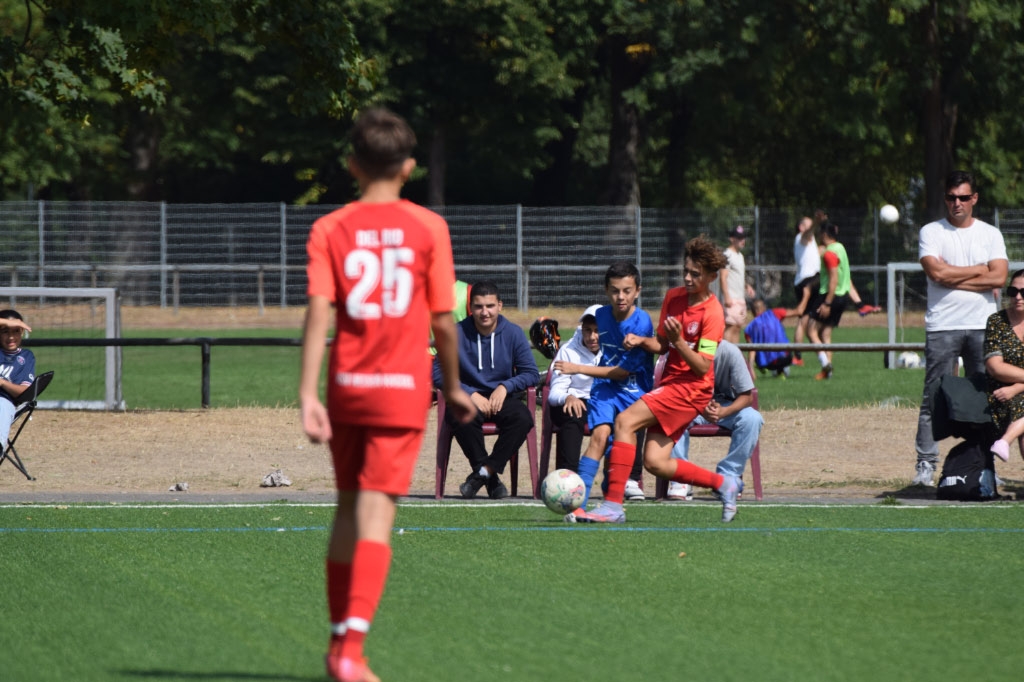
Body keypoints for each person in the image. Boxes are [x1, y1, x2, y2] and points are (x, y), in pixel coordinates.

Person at [298, 107, 476, 682]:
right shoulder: (429, 228)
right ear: (409, 167)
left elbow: (318, 314)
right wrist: (454, 386)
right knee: (376, 516)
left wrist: (307, 394)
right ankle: (349, 653)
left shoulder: (329, 228)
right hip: (401, 390)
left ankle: (337, 642)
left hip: (347, 388)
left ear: (352, 164)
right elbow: (443, 320)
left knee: (348, 509)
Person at [577, 235, 742, 523]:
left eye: (695, 274)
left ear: (712, 277)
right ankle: (723, 483)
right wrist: (642, 340)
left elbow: (702, 367)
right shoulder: (673, 297)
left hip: (692, 389)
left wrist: (678, 342)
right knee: (655, 462)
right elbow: (663, 345)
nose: (687, 278)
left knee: (624, 422)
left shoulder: (713, 313)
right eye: (685, 271)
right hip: (670, 385)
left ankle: (613, 505)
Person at [913, 170, 1008, 486]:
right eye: (952, 197)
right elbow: (936, 274)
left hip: (983, 326)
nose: (958, 203)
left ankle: (985, 464)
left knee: (986, 397)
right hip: (943, 325)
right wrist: (979, 271)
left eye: (964, 197)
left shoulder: (990, 234)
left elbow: (999, 277)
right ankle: (925, 465)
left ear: (974, 199)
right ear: (945, 199)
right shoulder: (931, 231)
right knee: (933, 395)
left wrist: (952, 275)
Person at [552, 262, 654, 518]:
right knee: (599, 437)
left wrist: (577, 368)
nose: (621, 297)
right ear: (606, 291)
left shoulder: (642, 322)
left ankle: (614, 495)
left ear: (638, 291)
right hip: (605, 388)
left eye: (627, 291)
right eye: (615, 290)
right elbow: (597, 351)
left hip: (633, 390)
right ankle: (577, 505)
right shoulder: (601, 316)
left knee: (620, 443)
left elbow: (622, 372)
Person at [434, 280, 540, 499]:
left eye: (490, 306)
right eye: (479, 306)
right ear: (470, 307)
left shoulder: (513, 333)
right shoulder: (455, 333)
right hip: (468, 398)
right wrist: (470, 393)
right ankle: (490, 479)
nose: (485, 312)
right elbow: (436, 372)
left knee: (523, 418)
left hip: (502, 398)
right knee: (460, 415)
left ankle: (482, 474)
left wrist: (505, 386)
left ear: (499, 305)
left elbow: (530, 373)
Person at [666, 339, 764, 501]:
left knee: (753, 418)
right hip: (690, 404)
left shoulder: (730, 351)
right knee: (672, 415)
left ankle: (728, 476)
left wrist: (724, 411)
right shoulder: (683, 350)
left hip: (727, 406)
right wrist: (700, 406)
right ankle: (680, 477)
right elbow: (671, 391)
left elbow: (747, 397)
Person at [547, 305, 602, 472]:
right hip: (575, 400)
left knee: (628, 414)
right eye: (587, 330)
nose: (592, 337)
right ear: (581, 329)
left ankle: (628, 479)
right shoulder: (567, 351)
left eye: (597, 331)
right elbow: (555, 393)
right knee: (573, 412)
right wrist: (568, 397)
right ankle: (568, 475)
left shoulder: (614, 348)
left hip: (603, 402)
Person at [984, 270, 1024, 463]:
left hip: (1014, 390)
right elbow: (995, 367)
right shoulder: (997, 322)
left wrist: (1016, 387)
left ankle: (1005, 441)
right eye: (1013, 291)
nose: (1018, 297)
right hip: (1001, 393)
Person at [806, 221, 851, 380]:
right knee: (825, 333)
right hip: (843, 296)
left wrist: (827, 303)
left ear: (824, 234)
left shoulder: (829, 253)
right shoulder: (841, 248)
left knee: (811, 331)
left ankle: (826, 364)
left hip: (829, 296)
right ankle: (828, 373)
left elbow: (833, 279)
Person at [0, 310, 35, 447]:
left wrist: (2, 383)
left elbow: (25, 391)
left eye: (16, 331)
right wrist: (7, 322)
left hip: (6, 401)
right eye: (5, 331)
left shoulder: (26, 357)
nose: (11, 337)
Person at [719, 224, 754, 344]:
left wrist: (747, 286)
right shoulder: (727, 255)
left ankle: (735, 352)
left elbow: (738, 276)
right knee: (730, 327)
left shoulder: (740, 256)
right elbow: (723, 277)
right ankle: (726, 353)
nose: (742, 240)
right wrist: (727, 297)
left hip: (740, 298)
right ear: (732, 239)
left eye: (743, 237)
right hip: (731, 298)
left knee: (737, 327)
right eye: (739, 238)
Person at [744, 298, 796, 378]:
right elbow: (798, 311)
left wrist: (751, 369)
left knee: (757, 350)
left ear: (752, 311)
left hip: (766, 364)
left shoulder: (749, 328)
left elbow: (752, 350)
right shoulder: (775, 313)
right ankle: (781, 371)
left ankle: (763, 367)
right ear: (764, 307)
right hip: (786, 358)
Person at [792, 216, 819, 366]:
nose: (812, 227)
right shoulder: (801, 237)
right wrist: (817, 221)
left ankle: (798, 355)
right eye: (809, 225)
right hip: (807, 281)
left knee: (806, 320)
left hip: (809, 279)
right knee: (804, 320)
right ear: (801, 227)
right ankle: (797, 355)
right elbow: (808, 232)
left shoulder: (811, 240)